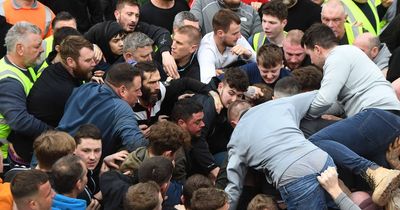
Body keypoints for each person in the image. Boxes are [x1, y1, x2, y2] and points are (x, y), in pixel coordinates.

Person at [225, 91, 400, 209]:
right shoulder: (277, 105)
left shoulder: (236, 138)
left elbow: (234, 187)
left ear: (235, 123)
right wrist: (339, 112)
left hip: (293, 176)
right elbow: (322, 96)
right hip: (321, 159)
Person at [301, 23, 400, 118]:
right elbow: (340, 104)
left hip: (376, 112)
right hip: (382, 112)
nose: (311, 61)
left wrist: (302, 114)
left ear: (317, 49)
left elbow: (325, 100)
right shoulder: (346, 53)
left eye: (310, 55)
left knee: (321, 136)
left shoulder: (337, 57)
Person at [57, 62, 147, 157]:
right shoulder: (121, 108)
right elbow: (137, 146)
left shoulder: (84, 88)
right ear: (123, 90)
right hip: (75, 166)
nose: (140, 94)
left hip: (51, 152)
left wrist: (130, 128)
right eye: (137, 90)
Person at [0, 22, 50, 167]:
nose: (41, 50)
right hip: (5, 157)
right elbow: (20, 121)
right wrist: (53, 132)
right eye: (36, 46)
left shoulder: (25, 65)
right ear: (20, 49)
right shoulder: (9, 81)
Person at [28, 35, 95, 128]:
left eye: (93, 58)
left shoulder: (54, 69)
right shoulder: (67, 92)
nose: (94, 63)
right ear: (70, 62)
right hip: (45, 139)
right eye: (88, 60)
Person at [111, 0, 179, 79]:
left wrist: (165, 53)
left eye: (137, 15)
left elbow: (162, 33)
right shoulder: (102, 31)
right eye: (129, 14)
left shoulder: (140, 27)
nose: (134, 19)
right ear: (117, 14)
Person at [197, 9, 256, 83]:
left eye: (239, 32)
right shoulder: (206, 50)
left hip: (234, 75)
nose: (239, 36)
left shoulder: (237, 38)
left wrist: (248, 54)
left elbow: (259, 63)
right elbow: (207, 83)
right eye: (234, 33)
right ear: (220, 33)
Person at [170, 98, 218, 179]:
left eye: (202, 120)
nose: (203, 124)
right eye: (197, 122)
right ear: (181, 123)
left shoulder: (194, 135)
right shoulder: (176, 152)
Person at [190, 0, 262, 39]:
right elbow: (190, 29)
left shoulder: (251, 12)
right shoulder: (202, 2)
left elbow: (259, 42)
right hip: (208, 57)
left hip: (241, 62)